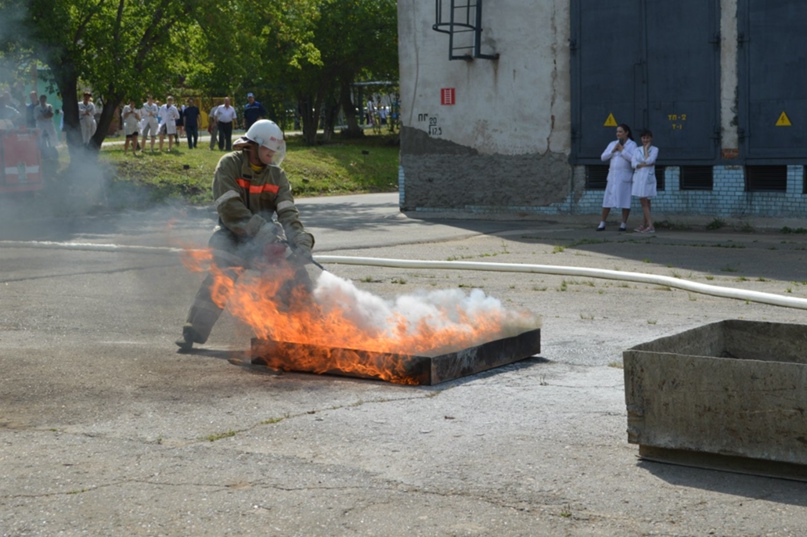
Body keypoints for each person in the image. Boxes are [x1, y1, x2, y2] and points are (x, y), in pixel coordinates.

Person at [175, 119, 315, 351]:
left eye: (276, 151)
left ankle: (308, 333)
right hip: (231, 236)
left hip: (265, 240)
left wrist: (300, 239)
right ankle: (193, 331)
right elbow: (229, 207)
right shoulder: (229, 165)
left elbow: (288, 213)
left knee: (293, 273)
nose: (274, 155)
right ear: (254, 146)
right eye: (270, 150)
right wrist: (259, 229)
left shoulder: (277, 176)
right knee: (222, 277)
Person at [596, 123, 636, 231]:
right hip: (612, 177)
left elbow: (633, 159)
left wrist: (622, 150)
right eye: (617, 131)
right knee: (607, 200)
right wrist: (613, 150)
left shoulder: (632, 145)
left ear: (626, 133)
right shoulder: (612, 143)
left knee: (625, 200)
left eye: (620, 131)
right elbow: (603, 157)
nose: (618, 134)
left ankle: (623, 223)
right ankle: (602, 222)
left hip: (624, 177)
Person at [631, 129, 659, 233]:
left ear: (651, 138)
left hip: (648, 178)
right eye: (643, 138)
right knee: (645, 202)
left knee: (645, 202)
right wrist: (644, 164)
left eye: (647, 138)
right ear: (641, 139)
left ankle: (650, 226)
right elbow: (633, 163)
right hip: (638, 178)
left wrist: (646, 150)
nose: (645, 140)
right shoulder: (637, 150)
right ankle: (644, 225)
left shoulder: (655, 149)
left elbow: (650, 160)